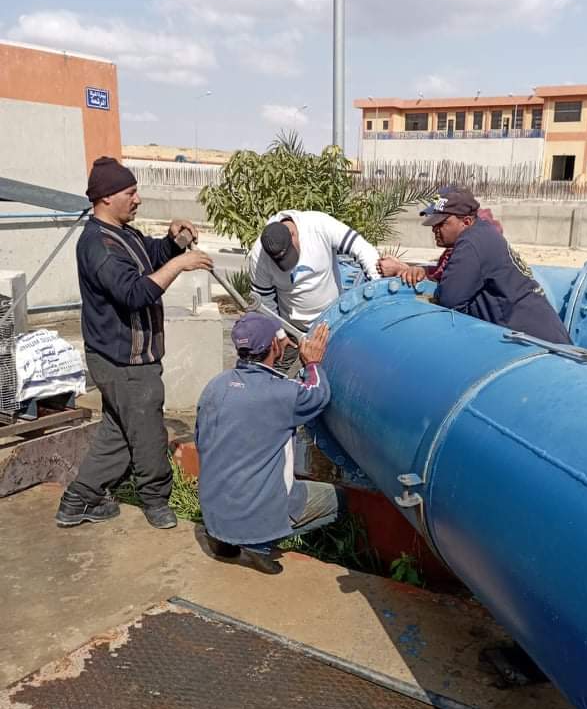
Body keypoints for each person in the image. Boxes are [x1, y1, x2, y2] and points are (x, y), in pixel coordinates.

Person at [55, 156, 213, 530]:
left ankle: (78, 501)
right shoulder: (98, 246)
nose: (138, 199)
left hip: (127, 358)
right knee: (147, 434)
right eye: (131, 192)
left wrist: (173, 244)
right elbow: (134, 293)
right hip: (124, 362)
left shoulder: (125, 234)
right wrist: (181, 264)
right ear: (106, 197)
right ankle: (156, 500)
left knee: (118, 433)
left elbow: (150, 258)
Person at [195, 312, 344, 575]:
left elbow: (200, 439)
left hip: (214, 513)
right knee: (338, 500)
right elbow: (319, 394)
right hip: (254, 517)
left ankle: (223, 539)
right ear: (275, 345)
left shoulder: (215, 386)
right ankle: (260, 542)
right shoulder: (283, 393)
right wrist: (312, 363)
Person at [379, 187, 570, 344]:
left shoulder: (470, 243)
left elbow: (449, 300)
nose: (434, 229)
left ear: (466, 221)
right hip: (544, 334)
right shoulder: (481, 233)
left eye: (441, 223)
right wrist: (413, 270)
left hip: (537, 343)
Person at [248, 210, 381, 371]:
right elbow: (264, 301)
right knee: (278, 376)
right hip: (293, 331)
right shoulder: (259, 256)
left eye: (289, 255)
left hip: (334, 323)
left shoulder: (319, 226)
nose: (287, 265)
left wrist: (378, 287)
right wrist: (280, 333)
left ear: (293, 235)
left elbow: (363, 249)